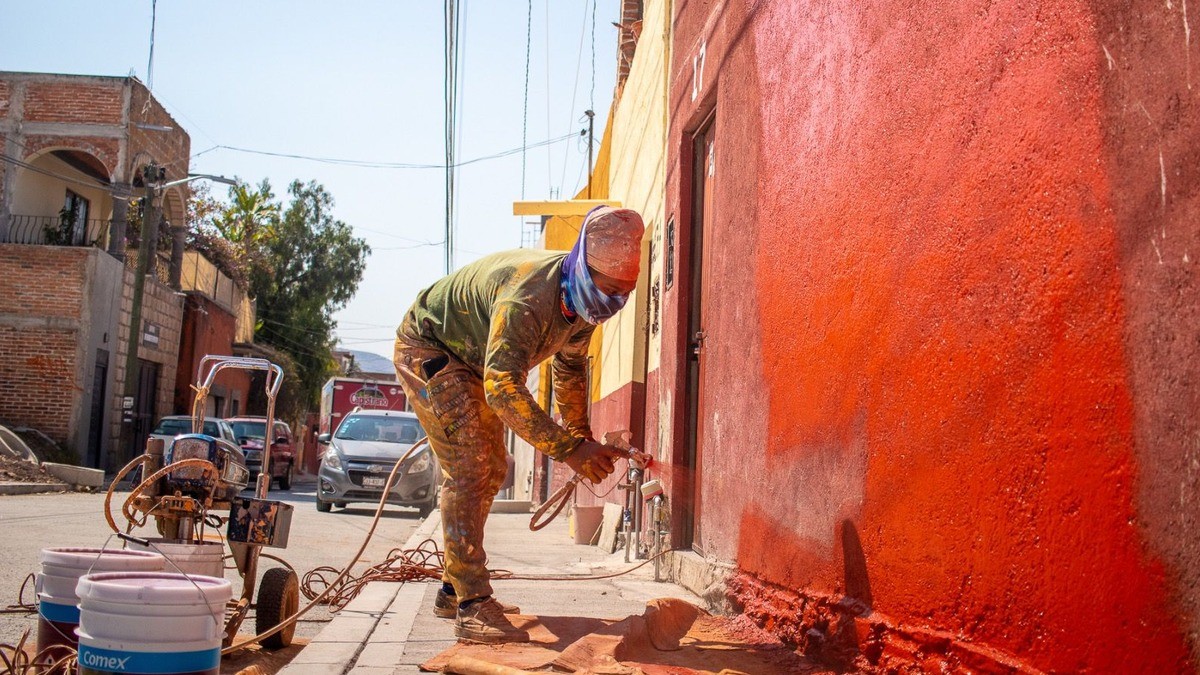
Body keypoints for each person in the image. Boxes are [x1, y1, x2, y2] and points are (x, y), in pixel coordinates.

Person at [393, 206, 644, 643]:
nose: (612, 303)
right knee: (471, 466)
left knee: (493, 467)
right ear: (584, 267)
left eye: (624, 293)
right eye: (607, 289)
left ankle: (454, 590)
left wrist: (581, 436)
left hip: (472, 360)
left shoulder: (583, 307)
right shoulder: (528, 298)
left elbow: (568, 371)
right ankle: (472, 605)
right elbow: (502, 388)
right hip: (430, 346)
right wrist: (568, 450)